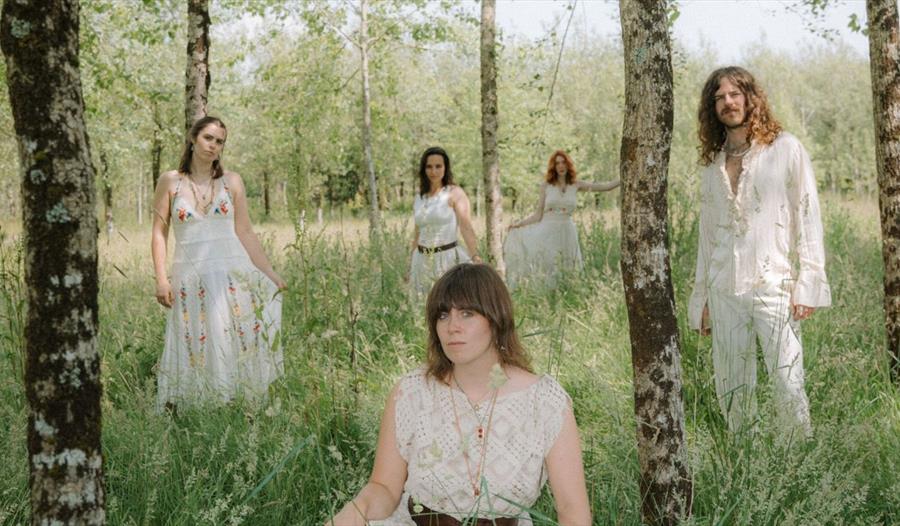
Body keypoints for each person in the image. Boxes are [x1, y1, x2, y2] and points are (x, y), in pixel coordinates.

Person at [328, 264, 591, 526]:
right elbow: (384, 487)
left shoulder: (544, 402)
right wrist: (359, 507)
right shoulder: (412, 393)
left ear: (496, 319)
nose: (452, 326)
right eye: (443, 315)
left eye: (467, 313)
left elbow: (573, 510)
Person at [687, 67, 831, 437]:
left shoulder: (785, 148)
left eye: (735, 94)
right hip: (724, 288)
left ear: (751, 98)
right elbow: (707, 236)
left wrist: (810, 280)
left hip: (774, 283)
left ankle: (797, 461)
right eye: (719, 97)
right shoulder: (712, 163)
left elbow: (807, 213)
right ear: (712, 107)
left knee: (788, 381)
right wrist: (701, 297)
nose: (728, 102)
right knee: (732, 386)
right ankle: (742, 458)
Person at [151, 116, 287, 410]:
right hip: (190, 278)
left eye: (220, 141)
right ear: (193, 138)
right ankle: (195, 408)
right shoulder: (170, 181)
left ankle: (235, 405)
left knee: (232, 340)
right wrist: (161, 279)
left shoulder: (231, 181)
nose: (213, 146)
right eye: (208, 138)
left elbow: (245, 232)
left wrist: (270, 273)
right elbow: (159, 233)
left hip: (232, 277)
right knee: (193, 342)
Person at [504, 150, 619, 289]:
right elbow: (538, 215)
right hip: (548, 230)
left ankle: (568, 293)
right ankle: (548, 298)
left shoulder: (576, 185)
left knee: (569, 264)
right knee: (549, 265)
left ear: (568, 164)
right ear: (553, 167)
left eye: (563, 162)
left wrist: (623, 178)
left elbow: (604, 187)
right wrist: (518, 224)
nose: (560, 166)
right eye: (557, 163)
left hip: (568, 230)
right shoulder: (546, 186)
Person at [408, 146, 481, 301]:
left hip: (445, 258)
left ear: (445, 168)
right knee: (420, 305)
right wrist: (410, 265)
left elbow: (466, 227)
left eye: (438, 166)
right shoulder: (420, 197)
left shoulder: (454, 193)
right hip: (420, 260)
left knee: (448, 303)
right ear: (423, 169)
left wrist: (475, 257)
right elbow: (417, 233)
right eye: (429, 166)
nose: (433, 171)